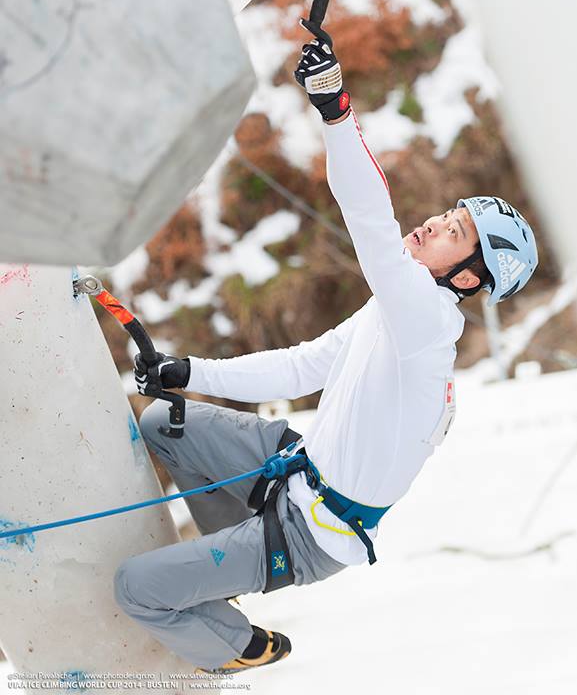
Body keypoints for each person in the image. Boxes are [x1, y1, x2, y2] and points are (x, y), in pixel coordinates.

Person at [113, 38, 538, 675]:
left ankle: (232, 645)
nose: (432, 223)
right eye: (448, 214)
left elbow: (370, 223)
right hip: (297, 468)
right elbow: (303, 366)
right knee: (160, 425)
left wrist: (337, 113)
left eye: (455, 233)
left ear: (470, 279)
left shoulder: (424, 322)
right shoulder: (397, 313)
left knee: (135, 590)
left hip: (312, 534)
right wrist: (189, 373)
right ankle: (220, 568)